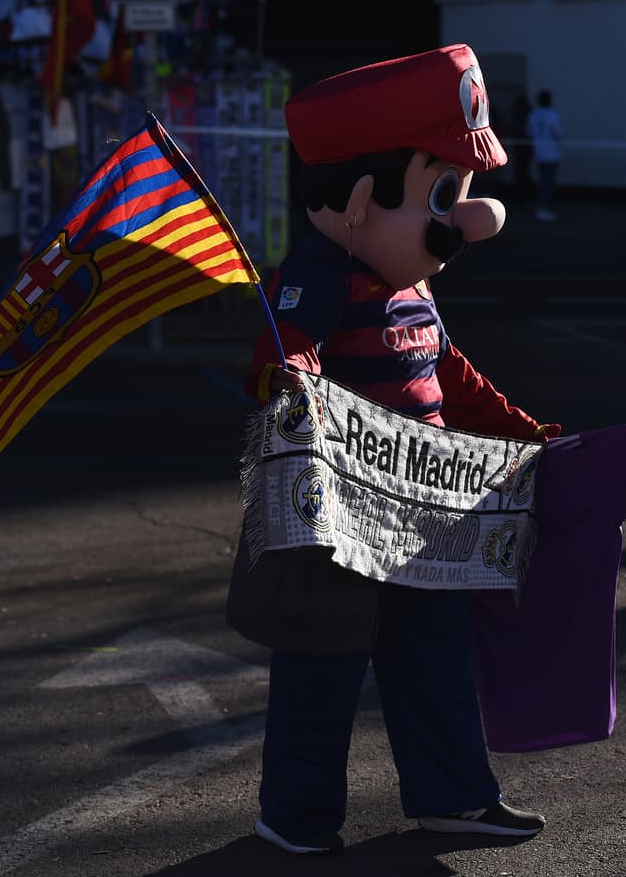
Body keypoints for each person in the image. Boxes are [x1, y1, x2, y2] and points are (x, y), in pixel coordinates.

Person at [238, 44, 556, 856]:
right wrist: (294, 373)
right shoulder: (322, 270)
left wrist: (517, 427)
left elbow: (447, 370)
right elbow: (282, 355)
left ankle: (454, 795)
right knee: (324, 657)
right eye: (441, 193)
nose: (463, 218)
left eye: (462, 192)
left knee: (435, 652)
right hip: (343, 511)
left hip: (425, 505)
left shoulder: (410, 282)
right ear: (358, 198)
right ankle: (296, 815)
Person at [526, 88, 562, 221]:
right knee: (547, 183)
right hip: (551, 155)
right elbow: (558, 134)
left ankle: (542, 208)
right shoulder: (553, 115)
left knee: (543, 182)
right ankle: (543, 210)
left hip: (539, 153)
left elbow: (529, 133)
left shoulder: (533, 115)